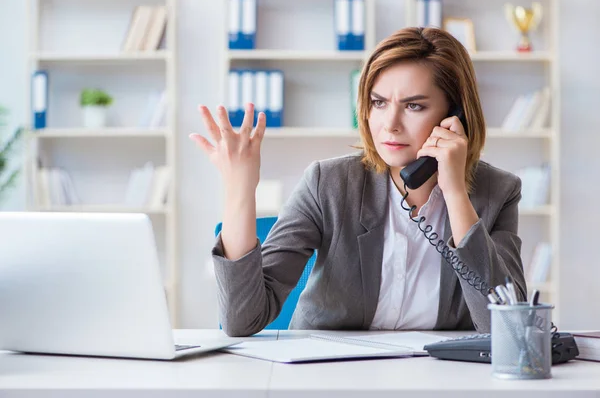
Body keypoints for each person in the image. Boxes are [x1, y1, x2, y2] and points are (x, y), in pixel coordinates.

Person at [190, 27, 527, 337]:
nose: (390, 124)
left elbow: (507, 330)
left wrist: (455, 194)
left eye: (414, 106)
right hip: (328, 374)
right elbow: (241, 319)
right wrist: (240, 188)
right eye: (378, 103)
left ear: (456, 116)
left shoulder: (497, 193)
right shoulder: (329, 184)